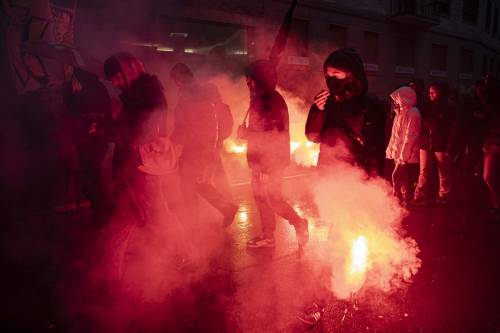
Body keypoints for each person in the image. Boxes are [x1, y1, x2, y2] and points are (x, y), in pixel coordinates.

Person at [237, 60, 308, 249]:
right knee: (262, 198)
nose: (248, 84)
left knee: (272, 199)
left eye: (250, 80)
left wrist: (247, 134)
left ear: (259, 80)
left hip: (269, 161)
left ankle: (299, 224)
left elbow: (273, 135)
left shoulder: (270, 101)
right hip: (261, 160)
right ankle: (268, 236)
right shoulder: (262, 99)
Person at [169, 63, 238, 227]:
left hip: (196, 149)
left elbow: (186, 125)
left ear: (179, 79)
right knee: (199, 183)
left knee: (189, 185)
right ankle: (225, 208)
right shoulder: (200, 92)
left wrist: (173, 142)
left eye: (175, 80)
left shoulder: (190, 95)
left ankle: (193, 223)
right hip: (206, 147)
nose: (175, 84)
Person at [305, 48, 386, 176]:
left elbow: (376, 150)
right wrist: (318, 111)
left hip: (357, 176)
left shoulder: (371, 105)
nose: (331, 78)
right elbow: (312, 136)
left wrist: (374, 183)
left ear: (351, 75)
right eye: (328, 75)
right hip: (327, 174)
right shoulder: (326, 103)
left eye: (336, 73)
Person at [62, 67, 114, 220]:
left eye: (73, 82)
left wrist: (67, 87)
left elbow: (72, 108)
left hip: (91, 140)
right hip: (97, 139)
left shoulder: (87, 92)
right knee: (95, 173)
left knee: (91, 173)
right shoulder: (97, 87)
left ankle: (100, 210)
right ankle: (98, 207)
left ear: (77, 80)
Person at [412, 82, 459, 205]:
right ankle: (420, 195)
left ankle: (444, 195)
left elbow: (455, 129)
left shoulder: (450, 108)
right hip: (426, 144)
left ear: (441, 92)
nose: (430, 94)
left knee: (443, 171)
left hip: (441, 145)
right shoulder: (426, 107)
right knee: (424, 171)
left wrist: (450, 147)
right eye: (429, 92)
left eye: (434, 92)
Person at [386, 86, 421, 205]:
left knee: (397, 176)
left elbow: (410, 136)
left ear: (404, 98)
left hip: (405, 153)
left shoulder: (413, 113)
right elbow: (395, 135)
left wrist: (403, 157)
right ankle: (404, 200)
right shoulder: (400, 113)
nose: (395, 102)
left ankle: (399, 198)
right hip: (399, 152)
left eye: (397, 99)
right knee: (402, 178)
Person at [476, 75, 500, 222]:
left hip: (494, 142)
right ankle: (497, 204)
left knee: (491, 176)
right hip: (492, 143)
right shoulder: (489, 106)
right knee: (489, 176)